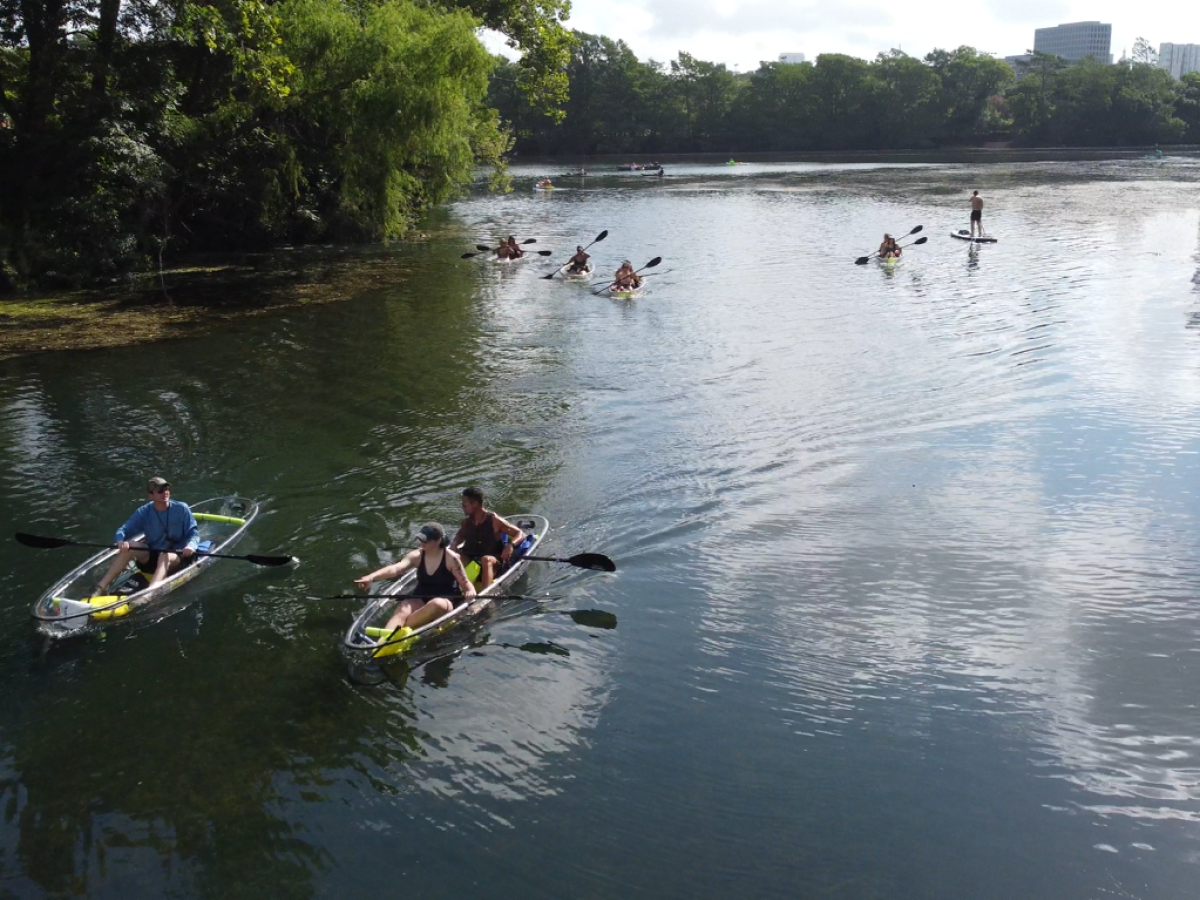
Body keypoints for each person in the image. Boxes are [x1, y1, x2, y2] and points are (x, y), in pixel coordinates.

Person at [355, 523, 476, 632]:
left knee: (436, 604)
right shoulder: (417, 556)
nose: (421, 543)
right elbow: (395, 569)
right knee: (403, 607)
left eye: (425, 541)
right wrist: (371, 577)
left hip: (446, 601)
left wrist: (470, 592)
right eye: (420, 540)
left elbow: (465, 583)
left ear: (438, 541)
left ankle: (401, 632)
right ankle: (385, 640)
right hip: (421, 597)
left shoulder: (451, 559)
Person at [94, 476, 200, 594]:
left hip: (177, 557)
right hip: (153, 556)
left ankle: (149, 592)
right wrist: (120, 541)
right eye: (160, 491)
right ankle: (100, 587)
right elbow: (123, 530)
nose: (165, 493)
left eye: (167, 489)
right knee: (131, 546)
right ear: (151, 495)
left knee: (164, 555)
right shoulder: (143, 512)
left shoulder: (182, 509)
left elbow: (194, 534)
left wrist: (191, 546)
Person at [451, 487, 528, 589]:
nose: (462, 507)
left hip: (493, 561)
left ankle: (485, 596)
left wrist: (510, 545)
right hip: (471, 558)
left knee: (486, 559)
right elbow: (460, 536)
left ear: (475, 504)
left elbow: (519, 533)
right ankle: (450, 591)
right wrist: (454, 543)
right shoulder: (466, 522)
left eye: (464, 504)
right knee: (453, 556)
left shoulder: (494, 520)